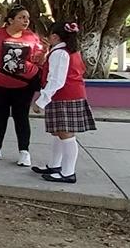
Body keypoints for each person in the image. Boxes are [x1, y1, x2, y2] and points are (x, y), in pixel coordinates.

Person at [0, 5, 45, 167]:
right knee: (0, 116)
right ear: (10, 20)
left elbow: (38, 62)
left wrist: (44, 53)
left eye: (27, 17)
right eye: (21, 17)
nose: (25, 20)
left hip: (23, 86)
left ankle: (24, 151)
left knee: (21, 117)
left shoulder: (32, 37)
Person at [31, 21, 97, 184]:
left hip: (65, 96)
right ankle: (55, 165)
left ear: (54, 36)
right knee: (59, 132)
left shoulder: (60, 53)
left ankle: (68, 172)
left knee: (66, 134)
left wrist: (41, 101)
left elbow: (57, 80)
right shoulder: (68, 51)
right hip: (68, 95)